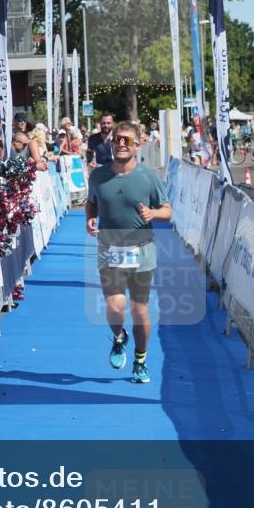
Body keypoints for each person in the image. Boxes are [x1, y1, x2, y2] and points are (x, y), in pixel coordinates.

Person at [85, 122, 172, 384]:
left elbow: (167, 211)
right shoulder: (98, 176)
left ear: (137, 146)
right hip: (109, 248)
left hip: (142, 250)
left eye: (127, 140)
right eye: (118, 140)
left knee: (140, 311)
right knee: (114, 306)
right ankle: (120, 337)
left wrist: (154, 213)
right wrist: (90, 219)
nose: (121, 144)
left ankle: (141, 360)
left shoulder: (148, 177)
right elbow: (92, 203)